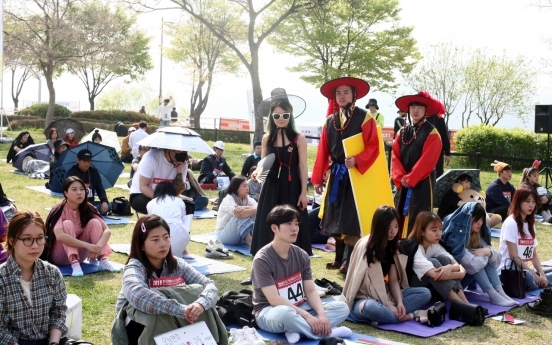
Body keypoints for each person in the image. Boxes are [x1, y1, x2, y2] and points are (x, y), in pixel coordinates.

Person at [114, 214, 227, 345]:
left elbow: (209, 285)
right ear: (141, 245)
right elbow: (137, 295)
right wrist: (180, 310)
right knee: (153, 310)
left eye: (166, 237)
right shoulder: (134, 267)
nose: (163, 244)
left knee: (199, 294)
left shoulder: (178, 264)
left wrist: (200, 304)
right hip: (136, 326)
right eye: (155, 239)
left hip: (173, 321)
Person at [252, 205, 351, 344]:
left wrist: (321, 315)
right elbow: (274, 300)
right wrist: (307, 316)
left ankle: (296, 330)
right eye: (289, 224)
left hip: (300, 306)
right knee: (286, 315)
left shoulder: (301, 255)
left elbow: (310, 290)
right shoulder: (263, 259)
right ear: (274, 228)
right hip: (270, 312)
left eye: (296, 224)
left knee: (343, 308)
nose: (294, 228)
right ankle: (327, 333)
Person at [312, 77, 379, 273]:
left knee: (350, 217)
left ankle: (350, 260)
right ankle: (338, 257)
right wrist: (318, 178)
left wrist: (358, 159)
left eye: (346, 92)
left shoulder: (365, 117)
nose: (342, 96)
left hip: (355, 176)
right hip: (336, 175)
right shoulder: (330, 121)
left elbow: (374, 146)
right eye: (338, 93)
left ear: (354, 95)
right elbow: (323, 151)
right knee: (335, 215)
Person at [341, 206, 432, 325]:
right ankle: (409, 315)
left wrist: (399, 303)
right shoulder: (366, 246)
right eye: (389, 228)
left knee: (425, 293)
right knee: (371, 308)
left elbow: (393, 280)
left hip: (386, 294)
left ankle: (386, 316)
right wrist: (388, 305)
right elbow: (357, 283)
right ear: (379, 228)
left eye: (396, 226)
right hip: (364, 298)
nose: (393, 232)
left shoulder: (391, 246)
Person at [251, 99, 312, 257]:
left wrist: (304, 193)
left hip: (292, 186)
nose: (281, 118)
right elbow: (263, 164)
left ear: (290, 115)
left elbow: (303, 167)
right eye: (277, 115)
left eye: (285, 115)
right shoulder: (267, 138)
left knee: (292, 221)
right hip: (270, 186)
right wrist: (257, 172)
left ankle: (295, 266)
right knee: (267, 222)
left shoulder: (299, 138)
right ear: (271, 116)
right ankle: (262, 264)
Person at [0, 211, 68, 345]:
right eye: (27, 239)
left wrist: (53, 343)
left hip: (49, 340)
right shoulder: (2, 277)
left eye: (40, 238)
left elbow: (58, 314)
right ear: (12, 241)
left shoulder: (52, 273)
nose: (35, 245)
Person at [442, 203, 518, 306]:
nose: (480, 223)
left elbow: (497, 260)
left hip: (467, 275)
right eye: (476, 220)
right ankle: (493, 295)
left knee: (483, 257)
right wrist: (487, 254)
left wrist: (488, 252)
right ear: (468, 220)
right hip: (455, 283)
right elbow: (472, 264)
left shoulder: (476, 234)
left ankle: (500, 292)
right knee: (477, 261)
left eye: (482, 220)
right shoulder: (456, 236)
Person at [43, 176, 119, 277]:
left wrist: (97, 247)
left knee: (95, 222)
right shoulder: (59, 209)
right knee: (67, 224)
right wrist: (88, 246)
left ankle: (103, 260)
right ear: (65, 193)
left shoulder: (88, 208)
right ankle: (75, 264)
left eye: (82, 189)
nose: (79, 193)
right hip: (60, 255)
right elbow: (60, 236)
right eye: (74, 190)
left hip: (81, 255)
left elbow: (107, 231)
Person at [393, 91, 443, 237]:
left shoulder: (432, 133)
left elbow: (428, 160)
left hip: (422, 181)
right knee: (399, 211)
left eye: (419, 107)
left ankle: (416, 248)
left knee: (419, 214)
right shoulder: (401, 132)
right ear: (408, 110)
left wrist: (411, 178)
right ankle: (399, 245)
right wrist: (402, 177)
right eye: (412, 106)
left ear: (426, 110)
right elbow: (395, 157)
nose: (415, 110)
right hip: (403, 181)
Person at [401, 211, 469, 303]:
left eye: (440, 229)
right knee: (433, 262)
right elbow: (436, 275)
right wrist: (461, 274)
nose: (439, 234)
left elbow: (454, 263)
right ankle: (460, 305)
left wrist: (449, 267)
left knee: (445, 259)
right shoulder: (415, 248)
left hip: (429, 285)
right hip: (411, 289)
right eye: (434, 230)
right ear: (422, 232)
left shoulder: (434, 244)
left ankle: (465, 302)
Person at [498, 186, 552, 291]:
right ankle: (540, 283)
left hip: (525, 271)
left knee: (534, 274)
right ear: (518, 202)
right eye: (527, 201)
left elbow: (534, 255)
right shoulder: (511, 223)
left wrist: (542, 275)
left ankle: (542, 282)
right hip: (509, 273)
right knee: (528, 276)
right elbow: (513, 256)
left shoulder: (530, 224)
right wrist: (535, 275)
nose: (531, 205)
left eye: (533, 201)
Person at [129, 147, 188, 215]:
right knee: (162, 208)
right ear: (170, 150)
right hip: (141, 194)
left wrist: (179, 171)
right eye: (180, 152)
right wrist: (162, 200)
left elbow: (178, 191)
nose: (183, 155)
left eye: (185, 152)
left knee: (188, 206)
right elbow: (143, 186)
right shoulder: (151, 158)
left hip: (168, 197)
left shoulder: (183, 163)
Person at [147, 182, 192, 259]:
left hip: (157, 237)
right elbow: (183, 219)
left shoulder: (151, 203)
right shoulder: (179, 201)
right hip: (179, 234)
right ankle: (183, 251)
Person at [64, 149, 111, 215]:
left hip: (90, 203)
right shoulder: (71, 173)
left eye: (89, 161)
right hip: (76, 203)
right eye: (84, 161)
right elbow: (67, 192)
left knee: (108, 206)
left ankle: (88, 213)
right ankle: (88, 213)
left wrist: (104, 201)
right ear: (78, 160)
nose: (87, 164)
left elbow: (100, 188)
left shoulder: (93, 172)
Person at [215, 176, 257, 248]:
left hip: (240, 237)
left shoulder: (248, 199)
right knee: (240, 215)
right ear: (236, 187)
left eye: (248, 186)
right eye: (244, 186)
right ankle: (250, 241)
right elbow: (239, 214)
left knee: (255, 214)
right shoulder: (228, 199)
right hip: (225, 236)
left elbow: (259, 209)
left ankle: (258, 239)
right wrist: (255, 209)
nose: (247, 188)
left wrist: (244, 207)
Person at [426, 111, 451, 178]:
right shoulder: (418, 118)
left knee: (438, 175)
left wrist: (447, 153)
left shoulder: (438, 119)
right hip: (422, 153)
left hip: (437, 152)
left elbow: (444, 136)